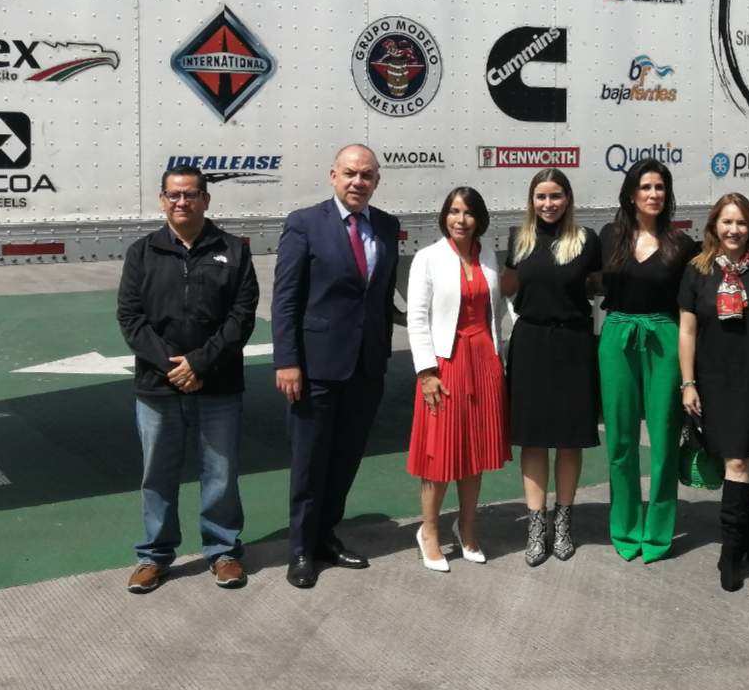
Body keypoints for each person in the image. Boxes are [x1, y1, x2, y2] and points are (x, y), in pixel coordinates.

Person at [117, 164, 259, 593]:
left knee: (220, 472)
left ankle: (223, 552)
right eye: (174, 195)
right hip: (157, 386)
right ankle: (154, 556)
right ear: (162, 200)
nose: (182, 202)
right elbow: (131, 318)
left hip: (218, 384)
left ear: (205, 200)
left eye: (191, 194)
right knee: (157, 474)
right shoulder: (142, 252)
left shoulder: (233, 250)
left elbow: (241, 317)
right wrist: (173, 367)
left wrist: (199, 363)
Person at [271, 145, 401, 589]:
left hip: (366, 366)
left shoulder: (387, 226)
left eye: (366, 175)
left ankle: (326, 536)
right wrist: (288, 361)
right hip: (316, 366)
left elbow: (381, 297)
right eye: (350, 173)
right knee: (309, 463)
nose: (357, 182)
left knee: (345, 459)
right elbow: (286, 299)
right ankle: (300, 549)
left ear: (377, 181)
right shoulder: (305, 223)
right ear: (333, 176)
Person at [679, 193, 749, 591]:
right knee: (727, 460)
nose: (734, 229)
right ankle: (747, 531)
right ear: (714, 226)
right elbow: (688, 330)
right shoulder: (697, 270)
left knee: (738, 461)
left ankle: (731, 551)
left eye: (741, 222)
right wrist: (688, 382)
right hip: (712, 379)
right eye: (726, 222)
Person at [599, 158, 700, 563]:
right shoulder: (609, 236)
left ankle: (657, 532)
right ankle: (625, 527)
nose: (654, 194)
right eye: (646, 187)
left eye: (660, 187)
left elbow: (694, 303)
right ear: (630, 194)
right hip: (617, 335)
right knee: (620, 441)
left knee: (663, 439)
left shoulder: (682, 245)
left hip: (663, 336)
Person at [405, 186, 511, 572]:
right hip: (445, 363)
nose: (460, 220)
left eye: (467, 212)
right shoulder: (428, 258)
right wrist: (426, 372)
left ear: (479, 218)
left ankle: (466, 527)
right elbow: (417, 318)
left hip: (483, 360)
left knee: (475, 450)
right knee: (439, 453)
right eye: (453, 211)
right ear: (444, 216)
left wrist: (500, 360)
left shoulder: (489, 257)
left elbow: (496, 311)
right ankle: (429, 531)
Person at [501, 168, 602, 566]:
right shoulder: (519, 239)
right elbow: (507, 287)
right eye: (541, 196)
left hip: (574, 345)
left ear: (568, 199)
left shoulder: (586, 240)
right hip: (530, 345)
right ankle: (535, 525)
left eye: (556, 196)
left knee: (569, 440)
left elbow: (599, 286)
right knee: (533, 439)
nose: (548, 204)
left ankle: (563, 522)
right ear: (532, 200)